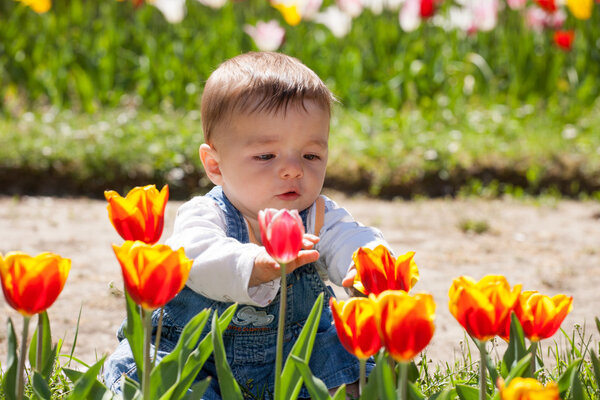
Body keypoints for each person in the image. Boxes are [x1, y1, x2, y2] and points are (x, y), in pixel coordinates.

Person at [104, 51, 392, 399]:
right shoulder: (205, 214)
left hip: (294, 357)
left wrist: (367, 265)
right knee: (164, 379)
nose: (293, 169)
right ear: (215, 165)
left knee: (353, 359)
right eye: (266, 156)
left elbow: (353, 237)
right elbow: (196, 256)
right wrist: (253, 265)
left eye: (311, 155)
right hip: (203, 356)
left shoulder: (317, 214)